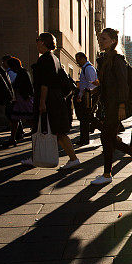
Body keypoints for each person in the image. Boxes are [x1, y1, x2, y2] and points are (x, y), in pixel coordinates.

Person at [91, 28, 132, 186]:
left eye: (104, 39)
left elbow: (123, 84)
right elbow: (109, 83)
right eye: (100, 39)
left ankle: (107, 174)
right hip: (109, 104)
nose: (100, 41)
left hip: (116, 105)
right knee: (108, 138)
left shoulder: (117, 59)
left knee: (106, 137)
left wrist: (122, 105)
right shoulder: (106, 58)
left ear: (113, 41)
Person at [22, 32, 79, 169]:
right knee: (54, 130)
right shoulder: (54, 58)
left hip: (49, 100)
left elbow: (45, 83)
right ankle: (36, 157)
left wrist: (42, 102)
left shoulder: (45, 59)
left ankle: (73, 158)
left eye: (38, 40)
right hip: (56, 99)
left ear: (43, 42)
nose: (36, 43)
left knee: (55, 131)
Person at [5, 56, 33, 147]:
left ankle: (13, 138)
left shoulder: (22, 73)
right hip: (22, 99)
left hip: (23, 99)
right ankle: (12, 138)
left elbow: (19, 86)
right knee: (16, 119)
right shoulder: (24, 72)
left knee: (25, 119)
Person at [74, 51, 98, 146]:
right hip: (85, 96)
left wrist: (83, 94)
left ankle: (85, 139)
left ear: (83, 58)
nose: (77, 62)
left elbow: (92, 84)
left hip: (87, 97)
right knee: (85, 119)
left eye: (78, 59)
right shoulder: (86, 68)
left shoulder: (88, 68)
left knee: (86, 118)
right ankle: (84, 139)